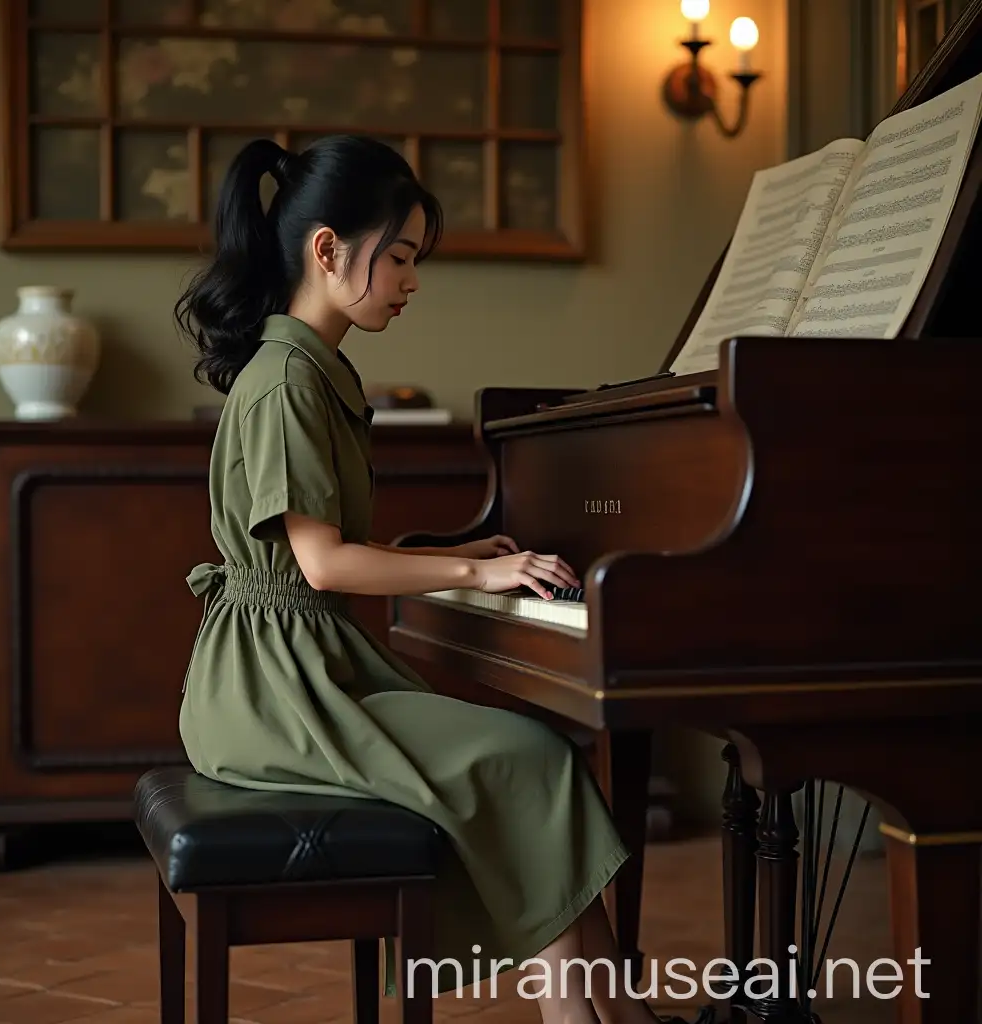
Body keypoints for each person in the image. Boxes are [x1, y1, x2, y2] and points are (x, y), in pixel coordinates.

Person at [174, 135, 684, 1024]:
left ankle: (609, 1017)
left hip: (300, 668)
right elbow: (324, 562)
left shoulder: (307, 366)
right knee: (529, 759)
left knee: (526, 764)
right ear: (328, 250)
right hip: (270, 691)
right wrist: (475, 574)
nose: (412, 281)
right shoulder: (286, 378)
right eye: (400, 257)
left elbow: (320, 558)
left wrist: (473, 559)